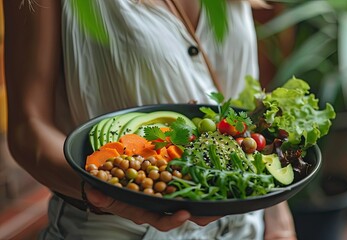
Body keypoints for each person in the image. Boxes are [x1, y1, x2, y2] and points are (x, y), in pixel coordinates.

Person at [4, 0, 296, 239]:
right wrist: (108, 191)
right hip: (117, 231)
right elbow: (28, 126)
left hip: (246, 227)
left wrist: (278, 215)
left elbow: (244, 109)